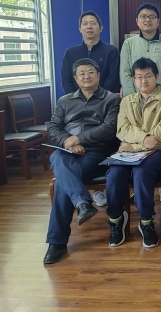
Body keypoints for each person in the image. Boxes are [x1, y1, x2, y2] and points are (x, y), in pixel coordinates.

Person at [43, 58, 120, 264]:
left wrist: (80, 139)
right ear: (75, 78)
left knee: (62, 182)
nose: (87, 76)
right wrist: (68, 142)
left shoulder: (111, 99)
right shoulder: (64, 100)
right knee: (57, 156)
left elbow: (109, 128)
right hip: (67, 151)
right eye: (82, 73)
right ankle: (82, 203)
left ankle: (57, 242)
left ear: (98, 75)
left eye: (91, 72)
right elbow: (53, 127)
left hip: (96, 152)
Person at [105, 58, 161, 248]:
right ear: (133, 79)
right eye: (139, 77)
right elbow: (122, 129)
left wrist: (136, 146)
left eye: (148, 76)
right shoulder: (127, 102)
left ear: (157, 76)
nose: (143, 81)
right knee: (114, 173)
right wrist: (144, 139)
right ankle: (116, 219)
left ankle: (146, 221)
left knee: (142, 171)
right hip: (130, 152)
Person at [60, 11, 120, 208]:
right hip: (76, 107)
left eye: (93, 23)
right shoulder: (71, 53)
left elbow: (113, 77)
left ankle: (86, 196)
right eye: (85, 23)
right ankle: (85, 198)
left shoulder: (110, 51)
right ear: (80, 28)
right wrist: (77, 99)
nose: (89, 26)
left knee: (63, 166)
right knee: (62, 156)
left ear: (100, 27)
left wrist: (100, 97)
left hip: (103, 104)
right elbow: (67, 79)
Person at [120, 3, 161, 202]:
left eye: (152, 17)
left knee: (159, 137)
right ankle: (140, 186)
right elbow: (125, 72)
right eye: (143, 17)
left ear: (158, 21)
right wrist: (134, 97)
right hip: (136, 100)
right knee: (138, 134)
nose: (147, 20)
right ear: (137, 21)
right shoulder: (129, 44)